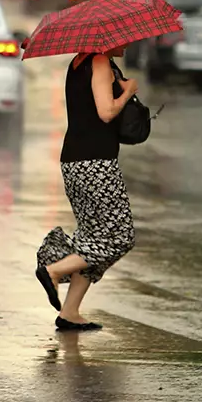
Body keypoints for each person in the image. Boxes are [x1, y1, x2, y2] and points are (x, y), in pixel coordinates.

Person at [35, 45, 138, 332]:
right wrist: (129, 91)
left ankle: (70, 312)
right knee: (120, 236)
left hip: (75, 161)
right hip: (96, 163)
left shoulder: (79, 62)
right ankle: (53, 270)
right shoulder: (100, 62)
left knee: (93, 237)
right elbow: (106, 112)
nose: (126, 43)